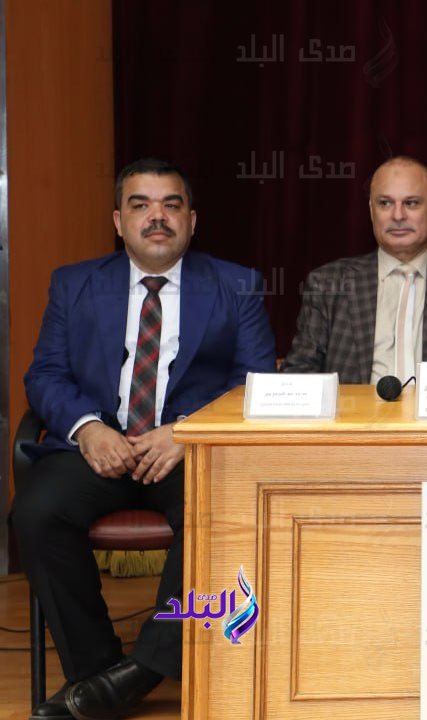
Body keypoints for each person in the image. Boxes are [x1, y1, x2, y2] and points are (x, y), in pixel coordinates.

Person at [13, 158, 277, 720]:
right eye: (140, 205)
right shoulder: (74, 284)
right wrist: (88, 428)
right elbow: (45, 375)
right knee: (35, 513)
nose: (157, 217)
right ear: (118, 220)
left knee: (221, 513)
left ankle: (139, 673)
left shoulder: (238, 285)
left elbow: (255, 381)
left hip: (188, 452)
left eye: (171, 205)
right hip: (98, 448)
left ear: (192, 220)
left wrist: (187, 433)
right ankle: (99, 670)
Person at [281, 156, 427, 383]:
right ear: (371, 211)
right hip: (355, 409)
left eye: (411, 203)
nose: (398, 215)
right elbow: (298, 376)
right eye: (385, 203)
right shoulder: (328, 283)